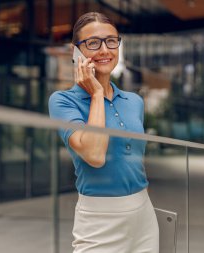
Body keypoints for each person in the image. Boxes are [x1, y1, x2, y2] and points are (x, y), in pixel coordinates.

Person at [48, 12, 159, 253]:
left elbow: (134, 160)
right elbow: (95, 155)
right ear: (75, 52)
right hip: (99, 220)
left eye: (111, 41)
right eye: (92, 43)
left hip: (144, 214)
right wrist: (96, 94)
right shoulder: (63, 102)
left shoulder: (134, 101)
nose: (104, 50)